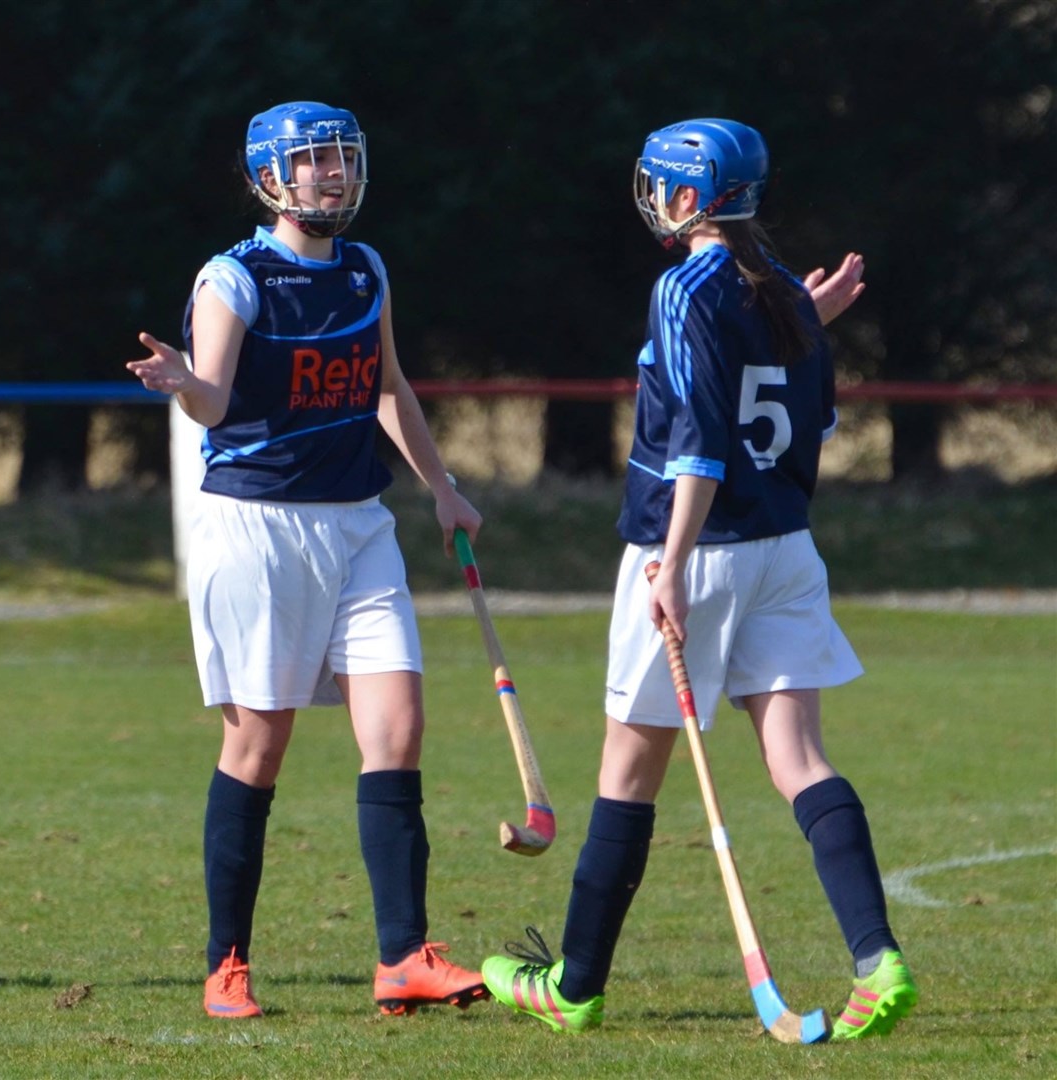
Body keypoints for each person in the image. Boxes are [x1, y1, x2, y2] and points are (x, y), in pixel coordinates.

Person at [481, 118, 917, 1040]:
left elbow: (701, 445)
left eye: (660, 185)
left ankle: (574, 986)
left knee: (627, 774)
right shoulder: (786, 294)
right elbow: (812, 426)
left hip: (694, 549)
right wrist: (809, 319)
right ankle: (878, 963)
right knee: (800, 759)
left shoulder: (686, 287)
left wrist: (672, 565)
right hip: (787, 551)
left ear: (688, 197)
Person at [126, 101, 487, 1020]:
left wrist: (441, 487)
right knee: (258, 745)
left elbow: (388, 384)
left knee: (398, 730)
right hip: (256, 530)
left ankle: (404, 956)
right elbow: (211, 401)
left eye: (341, 159)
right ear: (270, 179)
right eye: (313, 162)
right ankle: (226, 965)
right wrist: (183, 385)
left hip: (359, 525)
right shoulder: (233, 278)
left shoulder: (366, 269)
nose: (332, 175)